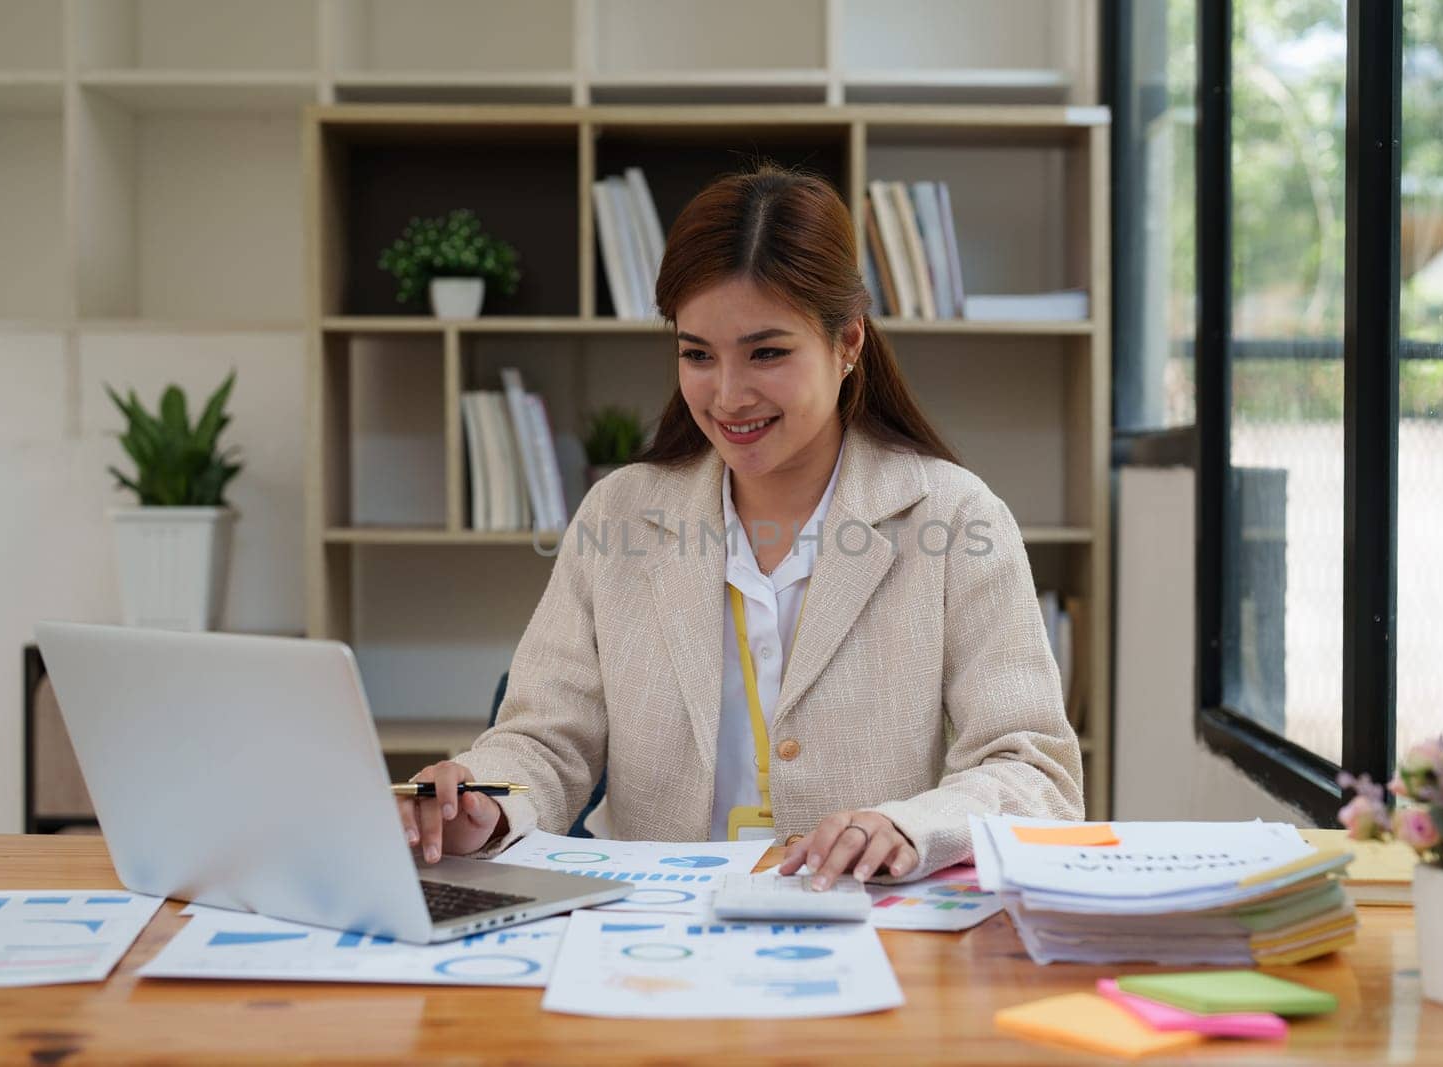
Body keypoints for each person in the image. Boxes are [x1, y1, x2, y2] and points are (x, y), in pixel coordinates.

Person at [398, 165, 1082, 887]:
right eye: (697, 354)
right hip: (646, 933)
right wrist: (485, 797)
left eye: (766, 352)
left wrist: (909, 825)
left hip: (864, 927)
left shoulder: (954, 519)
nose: (727, 395)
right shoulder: (620, 514)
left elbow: (1032, 771)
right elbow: (544, 739)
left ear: (848, 341)